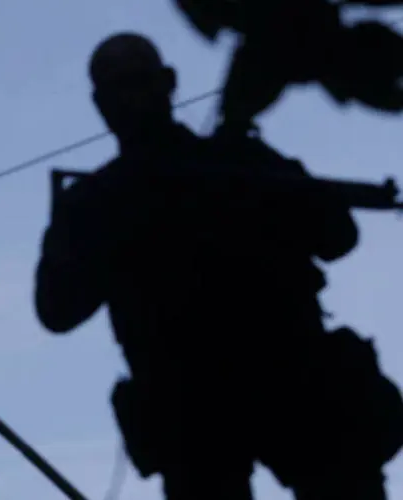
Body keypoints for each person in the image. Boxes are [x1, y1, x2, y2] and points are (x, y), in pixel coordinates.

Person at [33, 31, 395, 499]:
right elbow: (57, 309)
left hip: (285, 387)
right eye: (121, 89)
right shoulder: (105, 201)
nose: (131, 100)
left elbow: (336, 234)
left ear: (167, 84)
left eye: (138, 84)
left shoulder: (232, 163)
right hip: (200, 407)